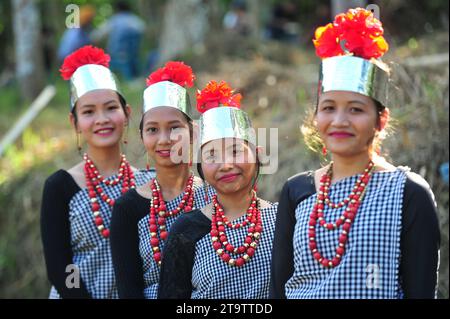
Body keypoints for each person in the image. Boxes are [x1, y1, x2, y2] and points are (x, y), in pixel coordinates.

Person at [270, 8, 440, 299]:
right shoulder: (297, 191)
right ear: (316, 117)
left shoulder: (409, 193)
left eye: (356, 109)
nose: (339, 121)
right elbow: (278, 291)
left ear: (380, 120)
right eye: (328, 108)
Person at [40, 45, 154, 299]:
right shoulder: (61, 187)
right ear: (75, 122)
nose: (101, 118)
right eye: (89, 112)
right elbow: (60, 268)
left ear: (126, 114)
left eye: (111, 108)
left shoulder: (148, 183)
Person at [158, 80, 278, 299]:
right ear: (200, 166)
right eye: (211, 155)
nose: (225, 165)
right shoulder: (186, 230)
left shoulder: (282, 220)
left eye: (235, 151)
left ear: (258, 154)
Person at [110, 61, 213, 298]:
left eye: (175, 127)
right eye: (153, 129)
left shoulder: (214, 196)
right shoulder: (127, 208)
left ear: (193, 132)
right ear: (142, 136)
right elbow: (129, 290)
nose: (164, 139)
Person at [91, 1, 145, 80]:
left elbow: (97, 35)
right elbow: (143, 29)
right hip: (133, 53)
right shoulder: (135, 20)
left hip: (117, 52)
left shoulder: (114, 20)